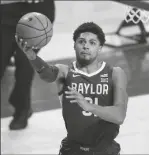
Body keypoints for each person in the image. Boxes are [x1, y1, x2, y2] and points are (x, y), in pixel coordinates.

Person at [15, 22, 128, 155]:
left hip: (106, 150)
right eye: (81, 41)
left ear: (100, 48)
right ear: (74, 45)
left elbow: (119, 116)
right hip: (73, 150)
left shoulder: (115, 73)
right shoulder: (65, 71)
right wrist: (32, 56)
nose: (86, 46)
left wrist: (88, 106)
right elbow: (47, 74)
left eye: (92, 42)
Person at [0, 0, 55, 130]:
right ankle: (19, 102)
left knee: (24, 61)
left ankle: (22, 109)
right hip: (5, 14)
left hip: (36, 14)